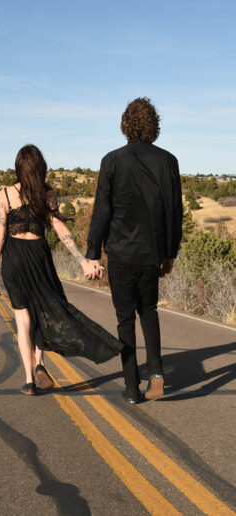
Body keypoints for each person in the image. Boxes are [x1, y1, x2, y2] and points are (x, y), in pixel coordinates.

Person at [0, 144, 124, 395]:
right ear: (41, 167)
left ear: (19, 167)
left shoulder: (5, 194)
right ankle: (40, 364)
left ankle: (29, 380)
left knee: (24, 319)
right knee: (46, 310)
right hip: (39, 257)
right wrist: (82, 259)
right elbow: (62, 231)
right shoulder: (47, 195)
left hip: (14, 259)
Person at [86, 98, 183, 404]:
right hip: (152, 252)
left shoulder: (112, 161)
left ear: (125, 124)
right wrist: (169, 253)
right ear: (154, 125)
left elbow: (101, 211)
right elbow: (174, 212)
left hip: (121, 253)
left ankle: (130, 387)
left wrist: (92, 252)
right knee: (149, 310)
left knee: (124, 319)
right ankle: (156, 372)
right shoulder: (168, 161)